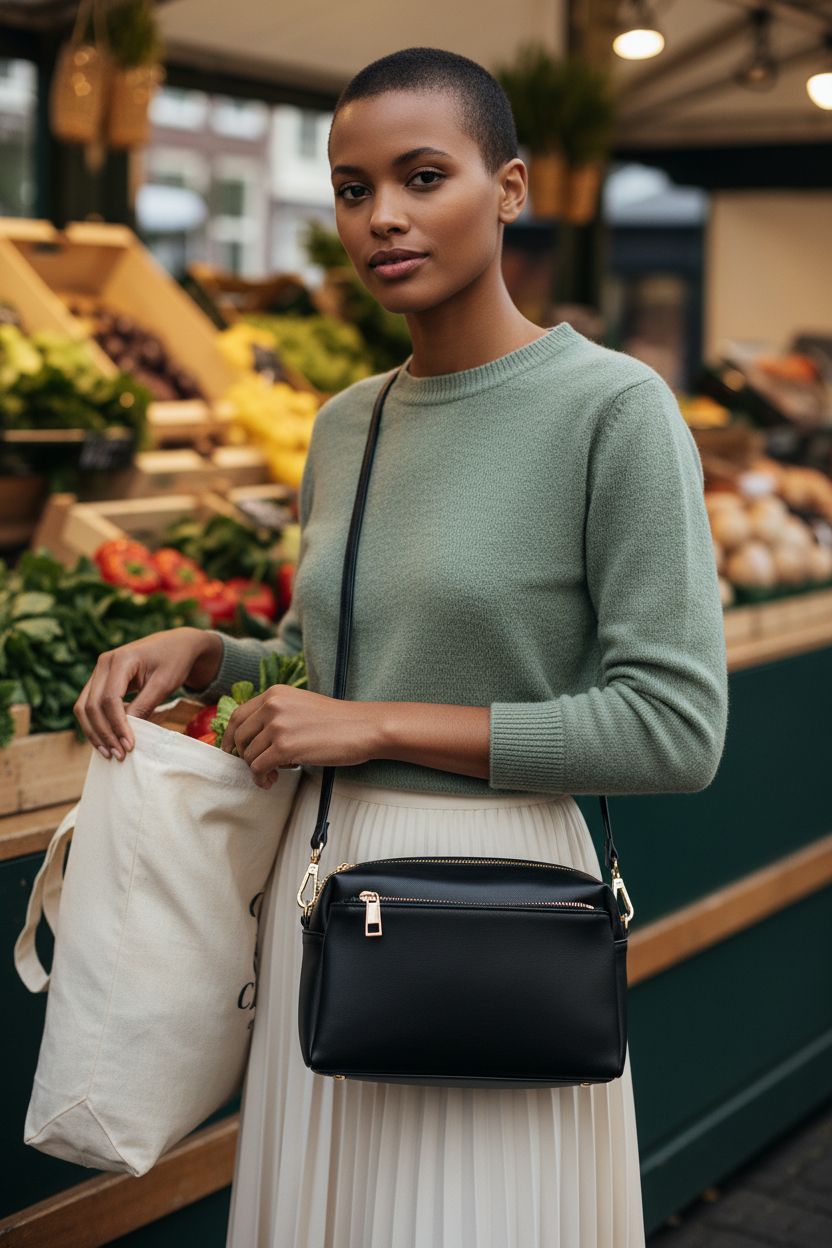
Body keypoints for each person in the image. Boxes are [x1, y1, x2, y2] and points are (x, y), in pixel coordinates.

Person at [74, 45, 729, 1248]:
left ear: (511, 188)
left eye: (423, 177)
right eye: (351, 188)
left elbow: (674, 728)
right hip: (332, 886)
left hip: (505, 902)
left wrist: (374, 726)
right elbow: (340, 665)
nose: (381, 217)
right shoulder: (345, 423)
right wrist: (215, 656)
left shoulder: (615, 412)